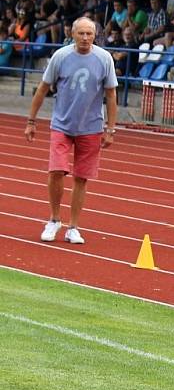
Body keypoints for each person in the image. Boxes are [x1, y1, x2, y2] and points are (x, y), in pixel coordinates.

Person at [25, 17, 117, 245]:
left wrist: (111, 129)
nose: (85, 38)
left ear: (95, 35)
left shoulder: (104, 59)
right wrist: (31, 120)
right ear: (72, 34)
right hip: (62, 124)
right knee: (56, 171)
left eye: (89, 33)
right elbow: (43, 88)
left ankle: (73, 227)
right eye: (81, 33)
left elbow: (111, 94)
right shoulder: (61, 56)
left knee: (81, 178)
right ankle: (54, 219)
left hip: (91, 127)